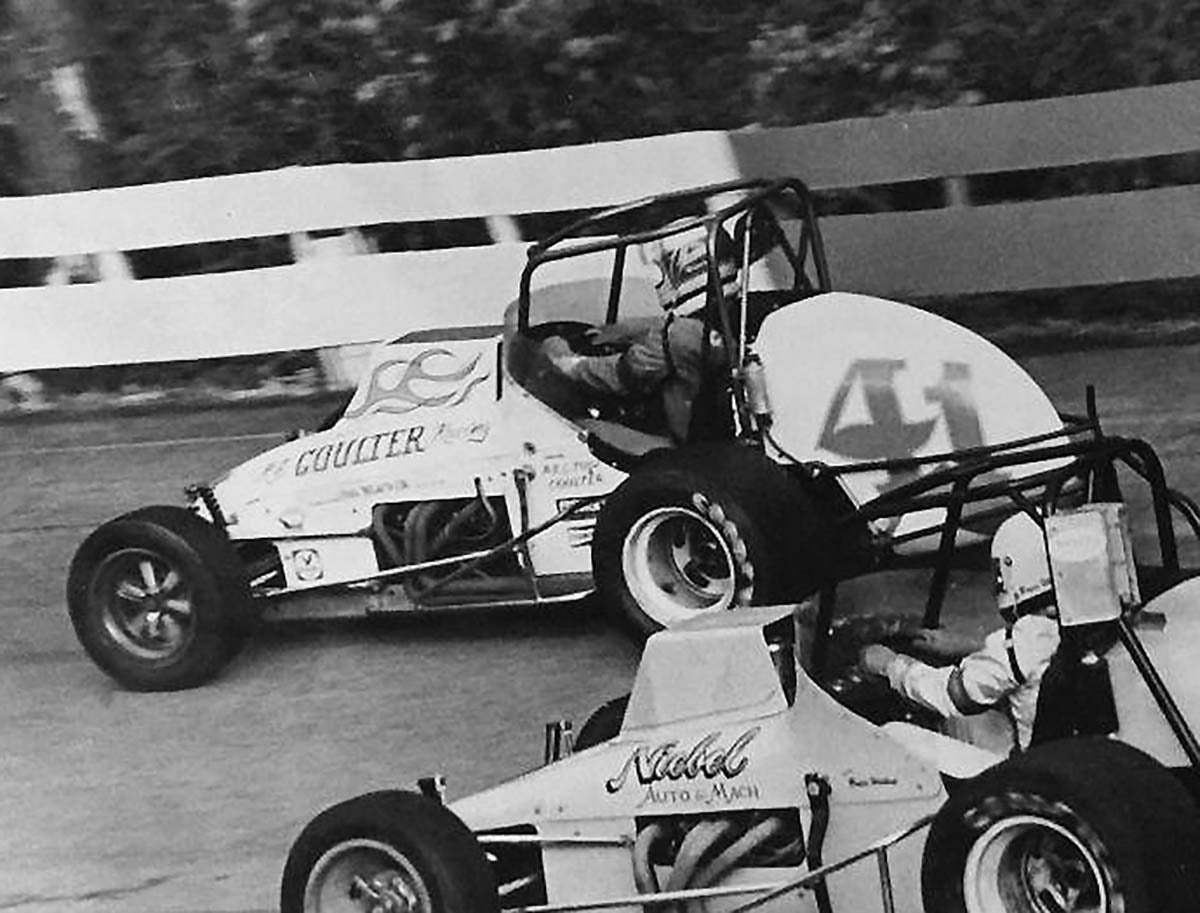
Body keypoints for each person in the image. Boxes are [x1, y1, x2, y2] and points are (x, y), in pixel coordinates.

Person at [860, 511, 1061, 753]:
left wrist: (890, 665)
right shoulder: (1097, 620)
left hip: (1034, 771)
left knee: (899, 733)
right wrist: (969, 646)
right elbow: (1038, 660)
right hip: (1090, 756)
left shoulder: (1029, 640)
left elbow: (949, 695)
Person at [537, 221, 740, 442]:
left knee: (585, 428)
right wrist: (626, 330)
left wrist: (565, 360)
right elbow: (681, 331)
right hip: (730, 430)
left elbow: (620, 375)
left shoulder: (675, 338)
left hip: (695, 447)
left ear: (685, 268)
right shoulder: (740, 309)